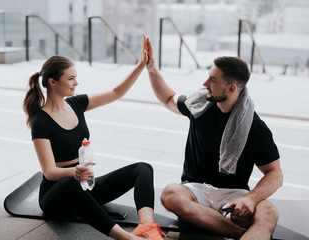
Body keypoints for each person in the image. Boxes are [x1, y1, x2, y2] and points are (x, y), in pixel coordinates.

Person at [23, 35, 166, 240]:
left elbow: (116, 93)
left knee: (142, 168)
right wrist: (74, 172)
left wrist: (141, 65)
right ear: (53, 82)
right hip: (57, 195)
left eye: (76, 77)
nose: (76, 83)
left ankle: (147, 226)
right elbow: (49, 171)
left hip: (83, 184)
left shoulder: (76, 104)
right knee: (70, 183)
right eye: (70, 78)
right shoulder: (41, 120)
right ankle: (126, 238)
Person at [144, 37, 283, 240]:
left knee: (269, 211)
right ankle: (239, 234)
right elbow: (167, 98)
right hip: (196, 189)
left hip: (235, 194)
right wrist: (151, 69)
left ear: (231, 89)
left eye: (213, 80)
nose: (204, 83)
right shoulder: (199, 105)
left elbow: (275, 174)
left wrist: (251, 199)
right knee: (171, 194)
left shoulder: (255, 126)